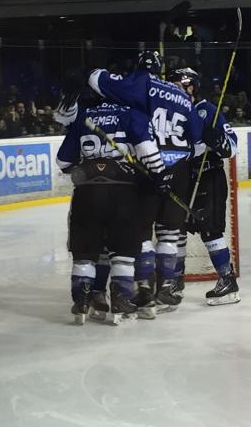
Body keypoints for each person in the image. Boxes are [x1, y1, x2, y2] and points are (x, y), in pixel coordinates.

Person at [88, 51, 205, 315]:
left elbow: (97, 80)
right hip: (181, 168)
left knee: (141, 232)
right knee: (169, 234)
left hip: (149, 167)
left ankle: (145, 292)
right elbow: (197, 142)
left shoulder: (142, 83)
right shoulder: (183, 96)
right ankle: (166, 288)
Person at [56, 97, 166, 325]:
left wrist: (91, 167)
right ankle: (121, 300)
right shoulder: (131, 114)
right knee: (123, 252)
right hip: (123, 193)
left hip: (87, 193)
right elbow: (149, 154)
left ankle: (82, 301)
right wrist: (159, 177)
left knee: (85, 253)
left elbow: (63, 162)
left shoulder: (83, 118)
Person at [168, 68, 240, 305]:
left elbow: (231, 147)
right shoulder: (172, 113)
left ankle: (227, 281)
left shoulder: (208, 110)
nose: (176, 90)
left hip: (208, 176)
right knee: (175, 228)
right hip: (182, 179)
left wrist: (215, 139)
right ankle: (174, 281)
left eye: (181, 85)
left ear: (193, 87)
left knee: (210, 230)